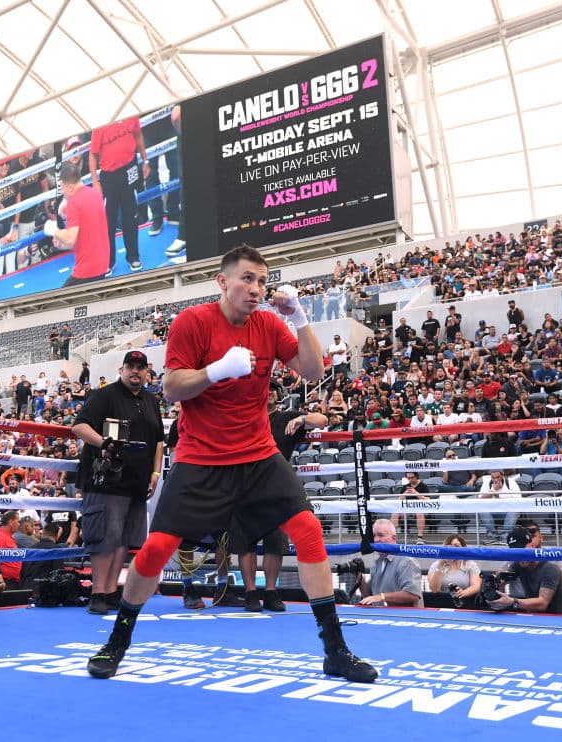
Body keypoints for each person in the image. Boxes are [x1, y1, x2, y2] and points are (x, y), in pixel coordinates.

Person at [86, 245, 377, 683]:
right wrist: (216, 371)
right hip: (201, 459)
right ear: (223, 281)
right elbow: (171, 388)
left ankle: (334, 649)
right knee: (157, 548)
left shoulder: (268, 324)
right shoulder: (194, 322)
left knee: (308, 530)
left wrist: (298, 316)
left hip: (259, 455)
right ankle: (118, 641)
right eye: (246, 279)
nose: (256, 288)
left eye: (262, 280)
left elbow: (314, 370)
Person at [71, 349, 164, 615]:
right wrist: (104, 443)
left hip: (136, 480)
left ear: (147, 372)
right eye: (130, 366)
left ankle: (110, 591)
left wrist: (155, 473)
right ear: (122, 369)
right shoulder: (104, 395)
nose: (135, 371)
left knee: (124, 538)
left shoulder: (150, 400)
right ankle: (98, 592)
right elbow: (79, 426)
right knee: (105, 537)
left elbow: (158, 441)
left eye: (140, 367)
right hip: (106, 478)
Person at [236, 384, 327, 612]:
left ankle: (270, 591)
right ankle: (249, 593)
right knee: (246, 542)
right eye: (263, 388)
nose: (267, 392)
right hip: (246, 484)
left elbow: (322, 420)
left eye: (272, 390)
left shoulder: (287, 417)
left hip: (276, 487)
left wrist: (302, 419)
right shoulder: (245, 417)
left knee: (275, 542)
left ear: (277, 396)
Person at [88, 115, 149, 272]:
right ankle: (108, 261)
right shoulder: (100, 123)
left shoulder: (131, 114)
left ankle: (133, 257)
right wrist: (95, 182)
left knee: (131, 216)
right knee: (108, 221)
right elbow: (93, 154)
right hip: (109, 176)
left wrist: (145, 160)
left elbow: (138, 134)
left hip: (130, 169)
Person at [45, 161, 110, 286]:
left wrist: (54, 230)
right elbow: (86, 232)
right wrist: (60, 241)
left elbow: (70, 239)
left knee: (62, 303)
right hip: (103, 263)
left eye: (62, 187)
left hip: (87, 270)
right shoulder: (95, 194)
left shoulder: (74, 204)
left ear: (69, 187)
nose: (62, 192)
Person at [486, 526, 562, 614]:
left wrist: (513, 601)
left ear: (532, 546)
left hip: (553, 621)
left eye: (522, 551)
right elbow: (504, 577)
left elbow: (542, 603)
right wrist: (492, 585)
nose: (519, 556)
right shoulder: (518, 565)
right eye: (515, 553)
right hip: (530, 618)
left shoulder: (551, 569)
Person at [353, 518, 423, 608]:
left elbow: (413, 594)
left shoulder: (406, 561)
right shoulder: (378, 563)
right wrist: (358, 576)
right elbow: (369, 596)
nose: (376, 539)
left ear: (394, 538)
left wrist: (382, 597)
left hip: (405, 618)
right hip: (383, 617)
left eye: (380, 535)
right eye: (374, 536)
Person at [427, 533, 481, 606]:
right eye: (450, 546)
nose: (453, 549)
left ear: (463, 547)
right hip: (441, 604)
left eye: (457, 546)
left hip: (465, 603)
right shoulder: (436, 565)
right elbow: (434, 589)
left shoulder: (471, 564)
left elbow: (476, 586)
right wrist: (440, 564)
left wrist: (462, 593)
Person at [0, 511, 23, 588]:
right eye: (18, 521)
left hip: (11, 582)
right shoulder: (1, 537)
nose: (19, 524)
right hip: (6, 582)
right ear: (11, 522)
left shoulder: (6, 536)